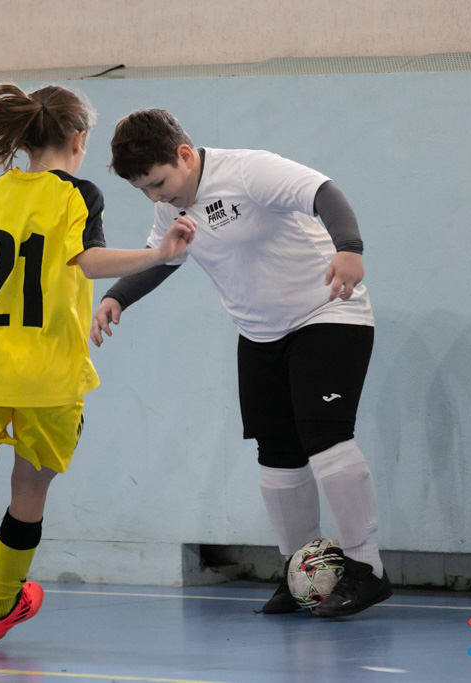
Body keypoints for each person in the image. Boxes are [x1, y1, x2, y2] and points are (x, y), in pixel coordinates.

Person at [0, 87, 196, 648]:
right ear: (79, 139)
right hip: (49, 378)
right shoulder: (77, 194)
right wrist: (157, 254)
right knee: (28, 493)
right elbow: (87, 261)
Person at [91, 109, 390, 618]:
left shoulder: (248, 171)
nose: (155, 198)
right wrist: (117, 297)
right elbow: (163, 257)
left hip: (327, 315)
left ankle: (368, 569)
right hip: (260, 334)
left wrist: (350, 249)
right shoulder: (171, 207)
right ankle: (301, 573)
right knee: (276, 453)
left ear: (185, 155)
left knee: (325, 438)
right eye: (143, 191)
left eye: (158, 183)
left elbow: (324, 192)